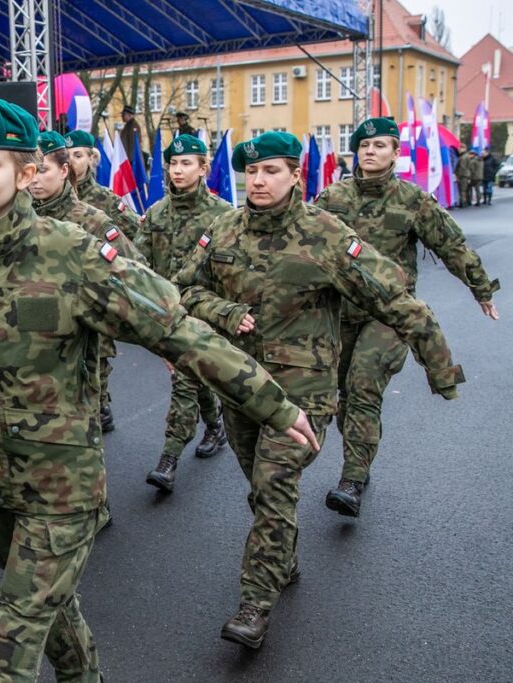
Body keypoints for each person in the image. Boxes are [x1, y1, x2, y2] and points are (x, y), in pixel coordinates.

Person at [0, 98, 319, 681]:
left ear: (27, 174)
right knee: (53, 612)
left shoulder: (72, 253)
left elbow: (175, 327)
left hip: (63, 486)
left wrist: (272, 404)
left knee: (9, 640)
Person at [175, 131, 466, 650]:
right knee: (260, 488)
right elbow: (181, 290)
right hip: (240, 383)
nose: (258, 181)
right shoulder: (222, 231)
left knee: (272, 484)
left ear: (295, 176)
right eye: (252, 172)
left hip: (302, 395)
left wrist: (441, 369)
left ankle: (255, 604)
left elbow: (395, 299)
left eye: (271, 172)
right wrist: (222, 312)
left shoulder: (327, 235)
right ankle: (282, 560)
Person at [314, 118, 500, 516]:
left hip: (389, 314)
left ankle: (352, 479)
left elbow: (452, 246)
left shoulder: (413, 200)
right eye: (363, 145)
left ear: (395, 152)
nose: (369, 151)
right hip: (341, 312)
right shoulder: (331, 197)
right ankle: (360, 460)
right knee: (345, 397)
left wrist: (481, 289)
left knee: (364, 384)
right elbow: (302, 245)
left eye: (380, 145)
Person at [29, 130, 145, 435]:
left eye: (42, 171)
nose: (34, 180)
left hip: (85, 341)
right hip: (32, 339)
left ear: (63, 170)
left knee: (81, 422)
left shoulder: (91, 220)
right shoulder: (18, 219)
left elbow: (136, 272)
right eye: (29, 172)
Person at [134, 134, 233, 493]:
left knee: (184, 380)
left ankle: (170, 457)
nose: (178, 170)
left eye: (186, 163)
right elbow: (141, 265)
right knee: (193, 375)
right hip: (168, 313)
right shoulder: (156, 213)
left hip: (205, 313)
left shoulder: (222, 215)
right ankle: (216, 425)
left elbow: (231, 272)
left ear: (204, 168)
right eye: (173, 164)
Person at [66, 129, 141, 239]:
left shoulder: (105, 197)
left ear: (91, 159)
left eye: (78, 156)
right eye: (66, 156)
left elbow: (139, 231)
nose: (70, 161)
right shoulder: (54, 193)